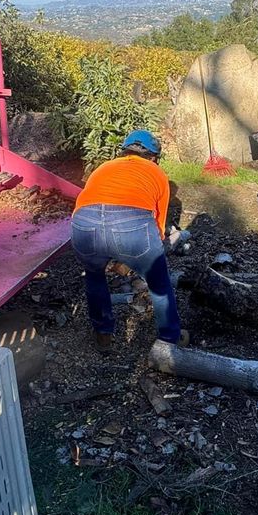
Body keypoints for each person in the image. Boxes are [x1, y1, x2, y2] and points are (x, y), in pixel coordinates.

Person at [70, 130, 185, 352]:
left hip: (84, 223)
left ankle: (103, 335)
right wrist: (135, 257)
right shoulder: (157, 173)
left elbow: (90, 203)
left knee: (94, 277)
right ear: (154, 157)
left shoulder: (103, 167)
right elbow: (158, 228)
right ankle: (169, 342)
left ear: (124, 151)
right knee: (159, 283)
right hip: (131, 223)